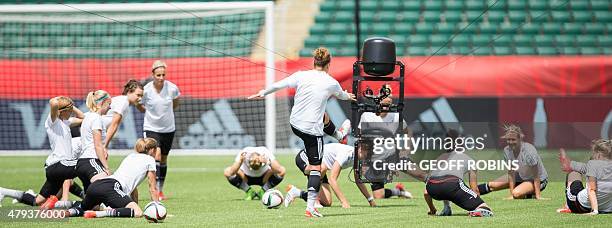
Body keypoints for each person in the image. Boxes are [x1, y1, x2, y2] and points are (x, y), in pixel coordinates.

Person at [248, 47, 355, 217]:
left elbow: (279, 85)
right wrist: (348, 97)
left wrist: (263, 93)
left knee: (323, 115)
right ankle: (311, 207)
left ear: (314, 62)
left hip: (295, 124)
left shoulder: (301, 75)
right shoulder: (331, 82)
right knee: (316, 169)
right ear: (329, 64)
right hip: (312, 130)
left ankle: (339, 135)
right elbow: (341, 95)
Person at [0, 96, 83, 208]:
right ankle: (96, 200)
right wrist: (61, 100)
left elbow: (84, 118)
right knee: (87, 166)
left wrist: (71, 107)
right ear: (62, 111)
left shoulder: (67, 122)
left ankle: (3, 192)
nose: (71, 112)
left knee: (38, 201)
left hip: (57, 167)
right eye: (69, 110)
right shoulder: (52, 121)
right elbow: (53, 103)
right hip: (58, 164)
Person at [67, 138, 159, 218]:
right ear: (152, 150)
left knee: (82, 209)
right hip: (112, 187)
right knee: (138, 212)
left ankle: (63, 210)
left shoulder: (131, 156)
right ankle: (98, 214)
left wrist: (133, 204)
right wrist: (157, 209)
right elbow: (152, 188)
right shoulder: (150, 160)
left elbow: (133, 187)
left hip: (96, 185)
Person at [424, 130, 493, 217]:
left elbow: (426, 192)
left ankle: (447, 208)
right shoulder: (469, 159)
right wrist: (475, 203)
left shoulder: (439, 158)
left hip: (432, 188)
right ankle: (478, 210)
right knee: (485, 208)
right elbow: (475, 190)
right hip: (451, 185)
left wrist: (432, 208)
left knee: (442, 182)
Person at [138, 60, 180, 201]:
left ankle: (161, 190)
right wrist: (148, 112)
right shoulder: (146, 90)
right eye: (158, 75)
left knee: (164, 159)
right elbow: (139, 104)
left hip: (168, 128)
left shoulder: (172, 88)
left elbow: (175, 102)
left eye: (163, 75)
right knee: (156, 155)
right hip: (151, 127)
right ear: (152, 74)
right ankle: (154, 189)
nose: (161, 78)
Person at [285, 143, 375, 208]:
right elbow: (332, 179)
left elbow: (358, 180)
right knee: (322, 168)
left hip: (320, 168)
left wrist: (370, 200)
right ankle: (314, 201)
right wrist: (344, 202)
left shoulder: (358, 159)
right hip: (304, 157)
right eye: (367, 152)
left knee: (326, 202)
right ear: (359, 148)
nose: (368, 156)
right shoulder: (346, 153)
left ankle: (296, 192)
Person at [477, 124, 548, 199]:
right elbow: (511, 174)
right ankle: (469, 193)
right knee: (492, 185)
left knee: (516, 193)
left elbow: (536, 175)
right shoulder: (507, 151)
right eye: (508, 139)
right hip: (521, 176)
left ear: (519, 139)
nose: (510, 142)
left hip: (538, 180)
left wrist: (538, 196)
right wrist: (511, 195)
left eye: (513, 139)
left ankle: (530, 194)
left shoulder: (529, 151)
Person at [558, 139, 612, 215]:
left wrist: (594, 211)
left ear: (599, 155)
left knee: (573, 173)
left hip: (579, 206)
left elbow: (591, 190)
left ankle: (567, 206)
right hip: (606, 208)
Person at [76, 90, 112, 192]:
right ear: (102, 102)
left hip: (82, 163)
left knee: (92, 205)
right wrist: (107, 168)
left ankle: (62, 205)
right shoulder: (96, 118)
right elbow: (98, 145)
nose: (110, 107)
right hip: (91, 161)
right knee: (109, 186)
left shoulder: (88, 117)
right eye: (109, 104)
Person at [102, 79, 144, 149]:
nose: (140, 99)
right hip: (94, 129)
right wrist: (105, 146)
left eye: (141, 96)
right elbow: (113, 125)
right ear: (129, 92)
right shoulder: (124, 102)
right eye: (138, 95)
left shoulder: (124, 102)